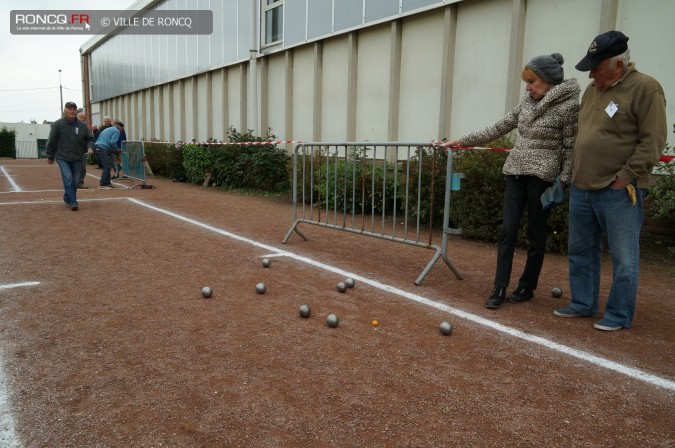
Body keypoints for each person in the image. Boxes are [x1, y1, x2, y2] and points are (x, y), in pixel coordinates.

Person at [554, 31, 667, 331]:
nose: (591, 74)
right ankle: (582, 303)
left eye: (596, 67)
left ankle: (618, 314)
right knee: (580, 250)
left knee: (624, 258)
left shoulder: (646, 89)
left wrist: (624, 177)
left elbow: (652, 141)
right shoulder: (593, 90)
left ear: (618, 65)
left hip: (619, 190)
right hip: (583, 186)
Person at [448, 53, 580, 309]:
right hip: (514, 174)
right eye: (527, 82)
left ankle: (527, 286)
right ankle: (499, 286)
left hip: (542, 179)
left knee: (535, 234)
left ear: (547, 81)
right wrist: (463, 140)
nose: (527, 87)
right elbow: (500, 126)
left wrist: (563, 181)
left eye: (532, 81)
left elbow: (570, 147)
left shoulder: (570, 106)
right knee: (508, 229)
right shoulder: (526, 102)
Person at [46, 102, 95, 211]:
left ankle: (67, 197)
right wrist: (50, 155)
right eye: (70, 108)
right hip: (62, 157)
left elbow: (90, 139)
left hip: (78, 157)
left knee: (76, 181)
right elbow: (51, 141)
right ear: (65, 110)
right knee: (68, 178)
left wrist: (90, 147)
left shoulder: (82, 126)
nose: (72, 111)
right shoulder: (57, 125)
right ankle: (73, 202)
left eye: (74, 109)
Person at [95, 121, 123, 189]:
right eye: (122, 129)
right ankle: (102, 184)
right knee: (107, 166)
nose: (122, 131)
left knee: (108, 166)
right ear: (120, 127)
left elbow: (106, 140)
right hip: (102, 148)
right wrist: (117, 150)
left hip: (99, 147)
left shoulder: (109, 129)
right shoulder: (117, 131)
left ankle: (107, 183)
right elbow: (112, 142)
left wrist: (113, 150)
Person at [76, 112, 94, 189]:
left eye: (84, 118)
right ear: (77, 118)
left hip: (82, 151)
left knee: (82, 168)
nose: (83, 119)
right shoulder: (70, 126)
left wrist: (90, 148)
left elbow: (90, 139)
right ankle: (72, 182)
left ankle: (80, 182)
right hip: (71, 152)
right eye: (81, 117)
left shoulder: (85, 127)